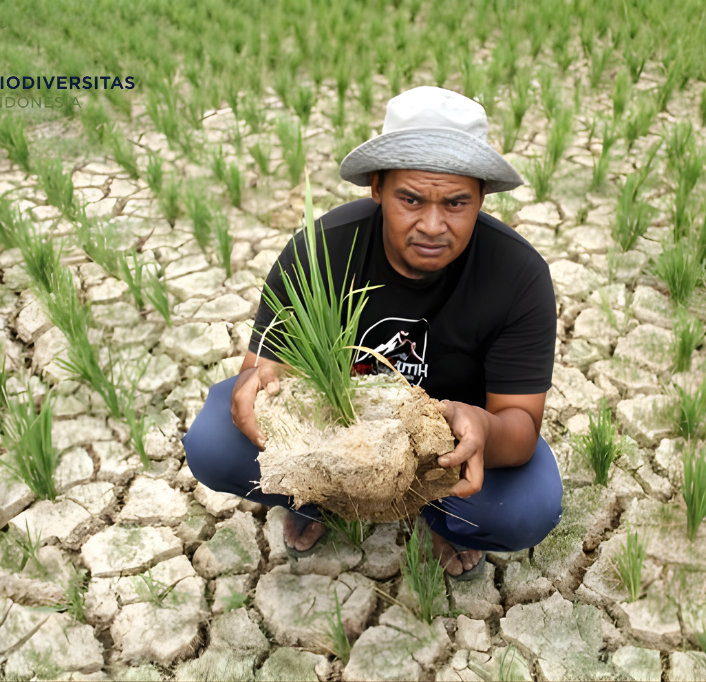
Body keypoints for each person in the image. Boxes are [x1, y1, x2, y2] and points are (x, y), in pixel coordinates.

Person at [183, 86, 563, 580]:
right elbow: (265, 368)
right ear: (377, 187)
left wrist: (484, 429)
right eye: (410, 198)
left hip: (440, 449)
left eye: (455, 203)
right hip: (336, 433)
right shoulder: (321, 252)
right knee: (215, 442)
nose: (432, 225)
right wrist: (259, 383)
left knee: (524, 510)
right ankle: (319, 495)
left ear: (482, 198)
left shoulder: (518, 276)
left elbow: (520, 426)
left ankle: (437, 514)